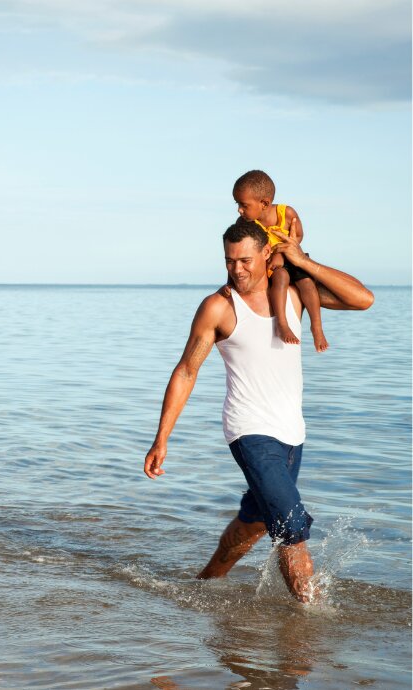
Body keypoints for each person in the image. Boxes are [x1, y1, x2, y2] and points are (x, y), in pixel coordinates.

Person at [143, 218, 373, 602]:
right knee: (291, 523)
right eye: (230, 261)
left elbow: (362, 299)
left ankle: (203, 584)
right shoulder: (219, 307)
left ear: (268, 254)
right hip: (248, 430)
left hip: (292, 432)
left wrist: (305, 262)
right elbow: (186, 371)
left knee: (254, 523)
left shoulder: (296, 293)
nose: (237, 269)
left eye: (245, 260)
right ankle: (307, 626)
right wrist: (161, 439)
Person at [232, 169, 329, 351]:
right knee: (281, 278)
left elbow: (298, 235)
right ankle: (282, 324)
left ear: (264, 203)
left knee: (307, 283)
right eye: (237, 204)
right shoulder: (247, 224)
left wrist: (283, 253)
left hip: (291, 257)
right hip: (275, 267)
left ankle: (317, 327)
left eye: (244, 205)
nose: (239, 209)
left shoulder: (287, 213)